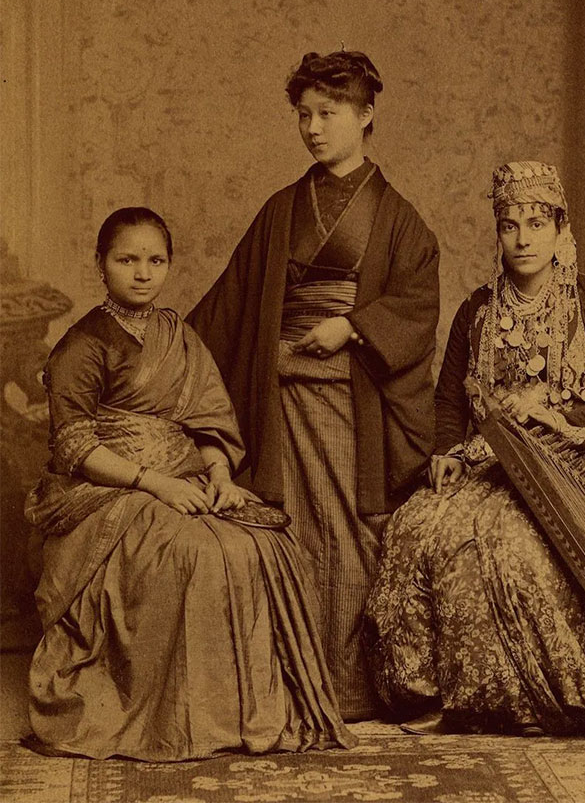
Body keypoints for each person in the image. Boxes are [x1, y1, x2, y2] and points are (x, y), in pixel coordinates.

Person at [24, 207, 354, 761]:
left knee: (263, 543)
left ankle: (252, 713)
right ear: (100, 264)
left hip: (187, 476)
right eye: (126, 260)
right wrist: (156, 485)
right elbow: (76, 448)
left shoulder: (178, 336)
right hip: (106, 492)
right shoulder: (81, 345)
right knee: (192, 551)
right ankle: (182, 719)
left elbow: (209, 420)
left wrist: (220, 475)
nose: (142, 273)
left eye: (156, 261)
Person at [365, 161, 585, 737]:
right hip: (497, 461)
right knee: (417, 525)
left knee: (508, 539)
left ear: (560, 228)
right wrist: (448, 451)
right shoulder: (478, 309)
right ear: (498, 233)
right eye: (510, 226)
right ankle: (441, 695)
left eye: (536, 224)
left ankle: (554, 699)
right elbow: (450, 398)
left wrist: (555, 417)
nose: (523, 239)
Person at [187, 51, 440, 720]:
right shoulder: (281, 210)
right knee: (289, 535)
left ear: (366, 115)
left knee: (351, 538)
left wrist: (353, 326)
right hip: (279, 398)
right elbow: (229, 303)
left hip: (352, 400)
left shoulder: (399, 220)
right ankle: (292, 686)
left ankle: (351, 689)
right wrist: (160, 350)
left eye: (328, 113)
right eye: (304, 115)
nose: (314, 128)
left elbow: (416, 304)